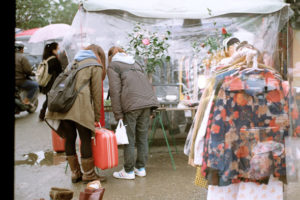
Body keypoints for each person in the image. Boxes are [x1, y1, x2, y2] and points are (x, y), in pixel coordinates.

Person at [45, 44, 107, 184]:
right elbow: (97, 94)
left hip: (62, 106)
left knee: (70, 138)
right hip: (80, 107)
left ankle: (75, 173)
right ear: (99, 55)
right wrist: (96, 117)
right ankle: (89, 175)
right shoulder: (94, 65)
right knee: (85, 138)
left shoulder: (73, 63)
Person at [107, 46, 159, 180]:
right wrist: (152, 107)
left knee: (129, 139)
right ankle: (140, 168)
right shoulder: (135, 62)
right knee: (142, 138)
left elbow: (114, 91)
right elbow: (145, 83)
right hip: (146, 104)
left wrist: (118, 114)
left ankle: (128, 171)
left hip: (131, 106)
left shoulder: (113, 65)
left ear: (110, 56)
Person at [39, 42, 63, 121]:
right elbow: (60, 71)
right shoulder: (54, 60)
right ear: (53, 50)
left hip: (46, 82)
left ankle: (43, 114)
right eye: (57, 48)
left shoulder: (46, 58)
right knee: (52, 98)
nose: (59, 49)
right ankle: (46, 114)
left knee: (48, 98)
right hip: (52, 83)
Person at [15, 41, 39, 106]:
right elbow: (27, 71)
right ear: (20, 49)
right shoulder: (22, 57)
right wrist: (33, 74)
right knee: (35, 85)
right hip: (19, 81)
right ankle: (26, 101)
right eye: (22, 49)